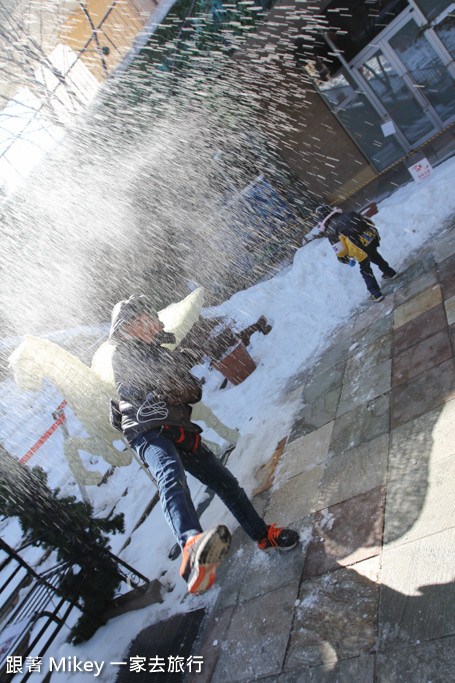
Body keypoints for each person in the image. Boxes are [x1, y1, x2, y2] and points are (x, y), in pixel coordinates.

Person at [109, 295, 299, 594]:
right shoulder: (124, 355)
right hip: (147, 432)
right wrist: (153, 390)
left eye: (151, 319)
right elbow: (130, 386)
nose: (151, 324)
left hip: (178, 429)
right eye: (143, 320)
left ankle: (263, 536)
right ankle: (192, 547)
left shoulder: (162, 352)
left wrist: (181, 377)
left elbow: (193, 393)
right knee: (171, 476)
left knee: (227, 485)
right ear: (125, 329)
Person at [315, 204, 397, 302]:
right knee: (373, 255)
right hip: (369, 238)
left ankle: (375, 292)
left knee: (365, 269)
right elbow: (368, 221)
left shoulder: (331, 230)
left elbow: (340, 250)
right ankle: (389, 272)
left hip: (358, 248)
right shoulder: (349, 214)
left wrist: (343, 259)